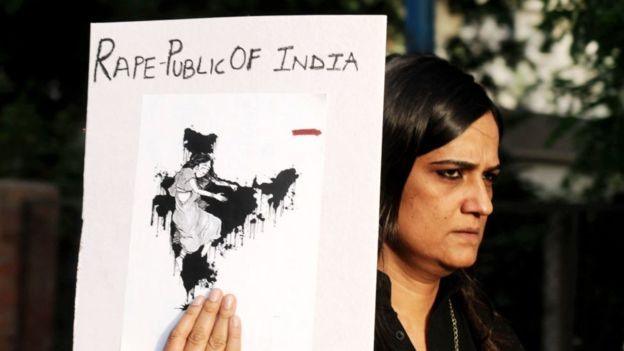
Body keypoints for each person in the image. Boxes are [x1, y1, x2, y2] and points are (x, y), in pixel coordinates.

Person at [163, 54, 524, 351]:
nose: (482, 204)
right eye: (451, 173)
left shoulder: (486, 332)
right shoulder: (288, 322)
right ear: (384, 172)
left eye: (489, 177)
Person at [169, 153, 227, 275]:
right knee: (192, 241)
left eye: (208, 168)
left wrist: (230, 185)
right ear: (197, 164)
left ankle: (208, 242)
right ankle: (180, 258)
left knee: (215, 221)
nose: (205, 171)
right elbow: (196, 190)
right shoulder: (188, 172)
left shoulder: (194, 174)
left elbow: (214, 179)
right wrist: (214, 196)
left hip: (193, 211)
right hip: (185, 215)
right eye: (204, 167)